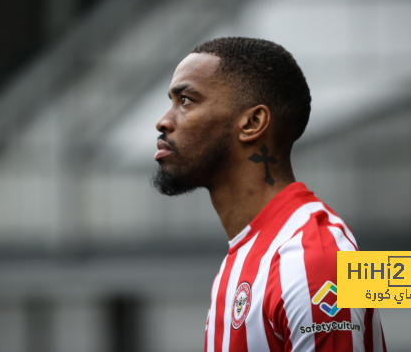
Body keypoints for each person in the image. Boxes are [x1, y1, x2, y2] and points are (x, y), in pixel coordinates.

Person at [151, 37, 387, 351]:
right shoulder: (242, 258)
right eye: (171, 100)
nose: (164, 121)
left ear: (252, 123)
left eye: (187, 100)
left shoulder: (314, 259)